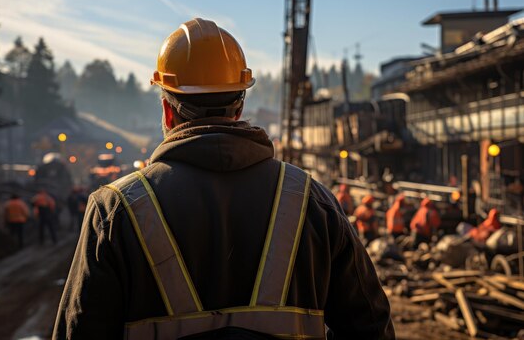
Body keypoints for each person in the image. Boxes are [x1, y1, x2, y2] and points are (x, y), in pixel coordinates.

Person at [53, 18, 393, 340]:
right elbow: (371, 328)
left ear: (168, 110)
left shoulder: (115, 210)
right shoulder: (312, 202)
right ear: (239, 106)